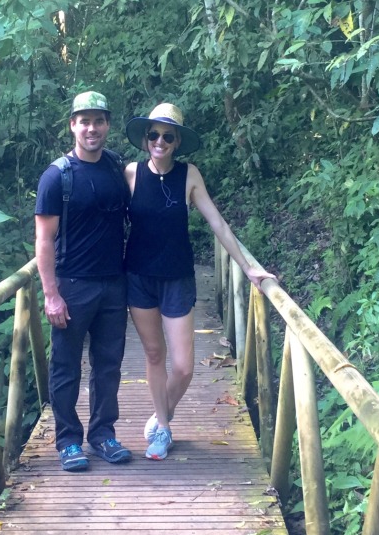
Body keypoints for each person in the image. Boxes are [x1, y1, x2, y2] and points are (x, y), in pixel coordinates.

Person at [124, 102, 276, 461]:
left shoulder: (189, 175)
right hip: (138, 277)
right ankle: (163, 427)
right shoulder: (130, 174)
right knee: (153, 354)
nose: (159, 141)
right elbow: (108, 221)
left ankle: (163, 412)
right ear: (146, 138)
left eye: (168, 136)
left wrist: (249, 268)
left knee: (184, 366)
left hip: (177, 277)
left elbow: (217, 223)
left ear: (176, 142)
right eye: (154, 134)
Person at [35, 90, 132, 471]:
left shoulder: (115, 168)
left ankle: (103, 435)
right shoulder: (57, 176)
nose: (92, 128)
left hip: (113, 283)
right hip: (72, 285)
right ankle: (68, 441)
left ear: (107, 124)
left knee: (109, 365)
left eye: (99, 120)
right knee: (66, 366)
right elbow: (43, 239)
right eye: (84, 121)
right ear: (72, 126)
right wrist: (50, 294)